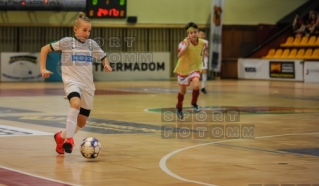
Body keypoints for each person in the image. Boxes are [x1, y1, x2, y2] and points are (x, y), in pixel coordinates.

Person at [40, 12, 112, 154]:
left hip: (88, 87)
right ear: (75, 30)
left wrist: (106, 64)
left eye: (89, 30)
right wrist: (42, 68)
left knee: (81, 123)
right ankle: (70, 140)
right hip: (72, 82)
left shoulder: (92, 44)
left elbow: (104, 56)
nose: (87, 33)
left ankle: (60, 137)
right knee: (75, 104)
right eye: (84, 30)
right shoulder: (67, 42)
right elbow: (45, 49)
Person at [174, 22, 208, 119]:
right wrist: (187, 46)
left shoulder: (202, 42)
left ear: (198, 33)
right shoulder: (183, 43)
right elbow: (179, 55)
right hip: (184, 69)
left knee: (197, 84)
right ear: (187, 35)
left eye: (195, 32)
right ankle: (179, 107)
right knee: (182, 92)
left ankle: (194, 103)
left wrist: (202, 62)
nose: (193, 34)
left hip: (195, 68)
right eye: (191, 33)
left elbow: (201, 52)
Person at [198, 29, 209, 94]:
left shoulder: (206, 42)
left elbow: (206, 49)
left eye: (203, 34)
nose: (201, 35)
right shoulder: (195, 41)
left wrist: (207, 54)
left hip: (204, 58)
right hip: (197, 58)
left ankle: (203, 87)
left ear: (204, 35)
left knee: (204, 71)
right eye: (200, 34)